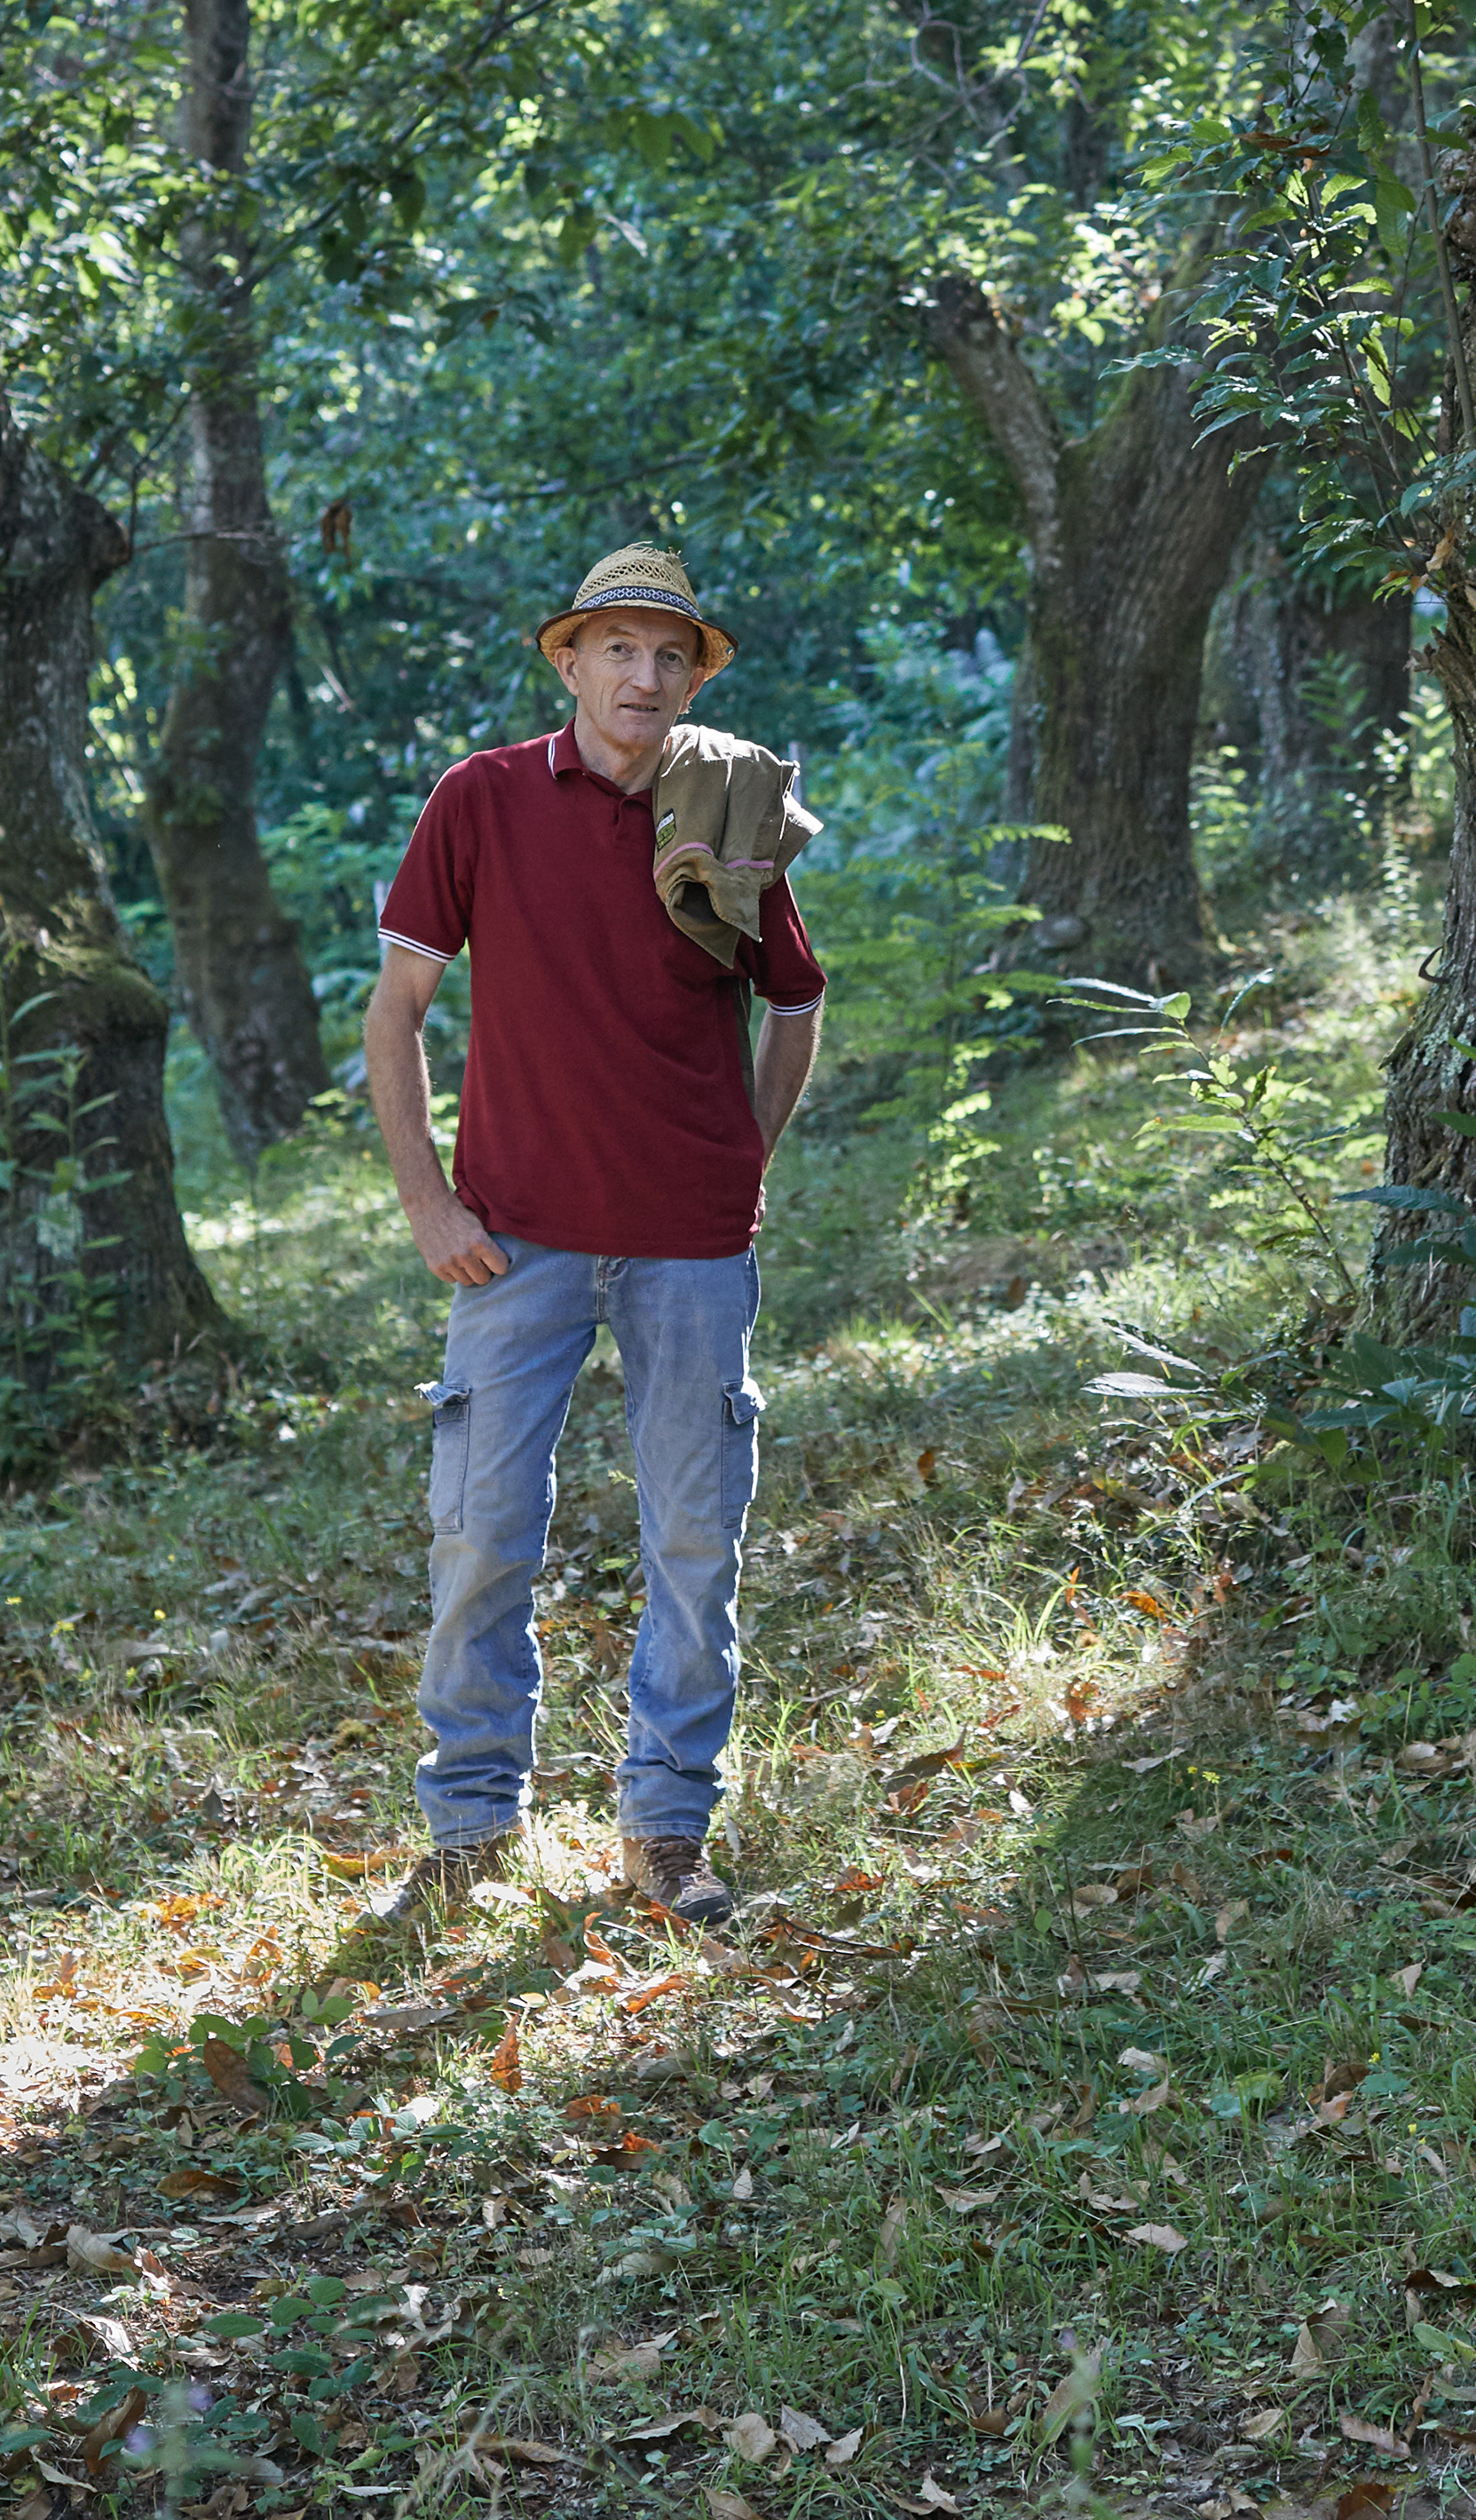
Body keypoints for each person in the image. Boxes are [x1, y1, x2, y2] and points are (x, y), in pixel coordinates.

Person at [361, 544, 825, 1927]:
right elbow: (398, 1011)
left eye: (671, 655)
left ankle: (668, 1830)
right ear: (567, 661)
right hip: (516, 1237)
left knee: (696, 1538)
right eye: (618, 647)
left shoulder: (727, 803)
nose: (645, 675)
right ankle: (469, 1831)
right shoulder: (483, 798)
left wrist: (744, 1151)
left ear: (694, 678)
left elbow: (797, 1001)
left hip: (692, 1241)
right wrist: (427, 1201)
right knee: (481, 1533)